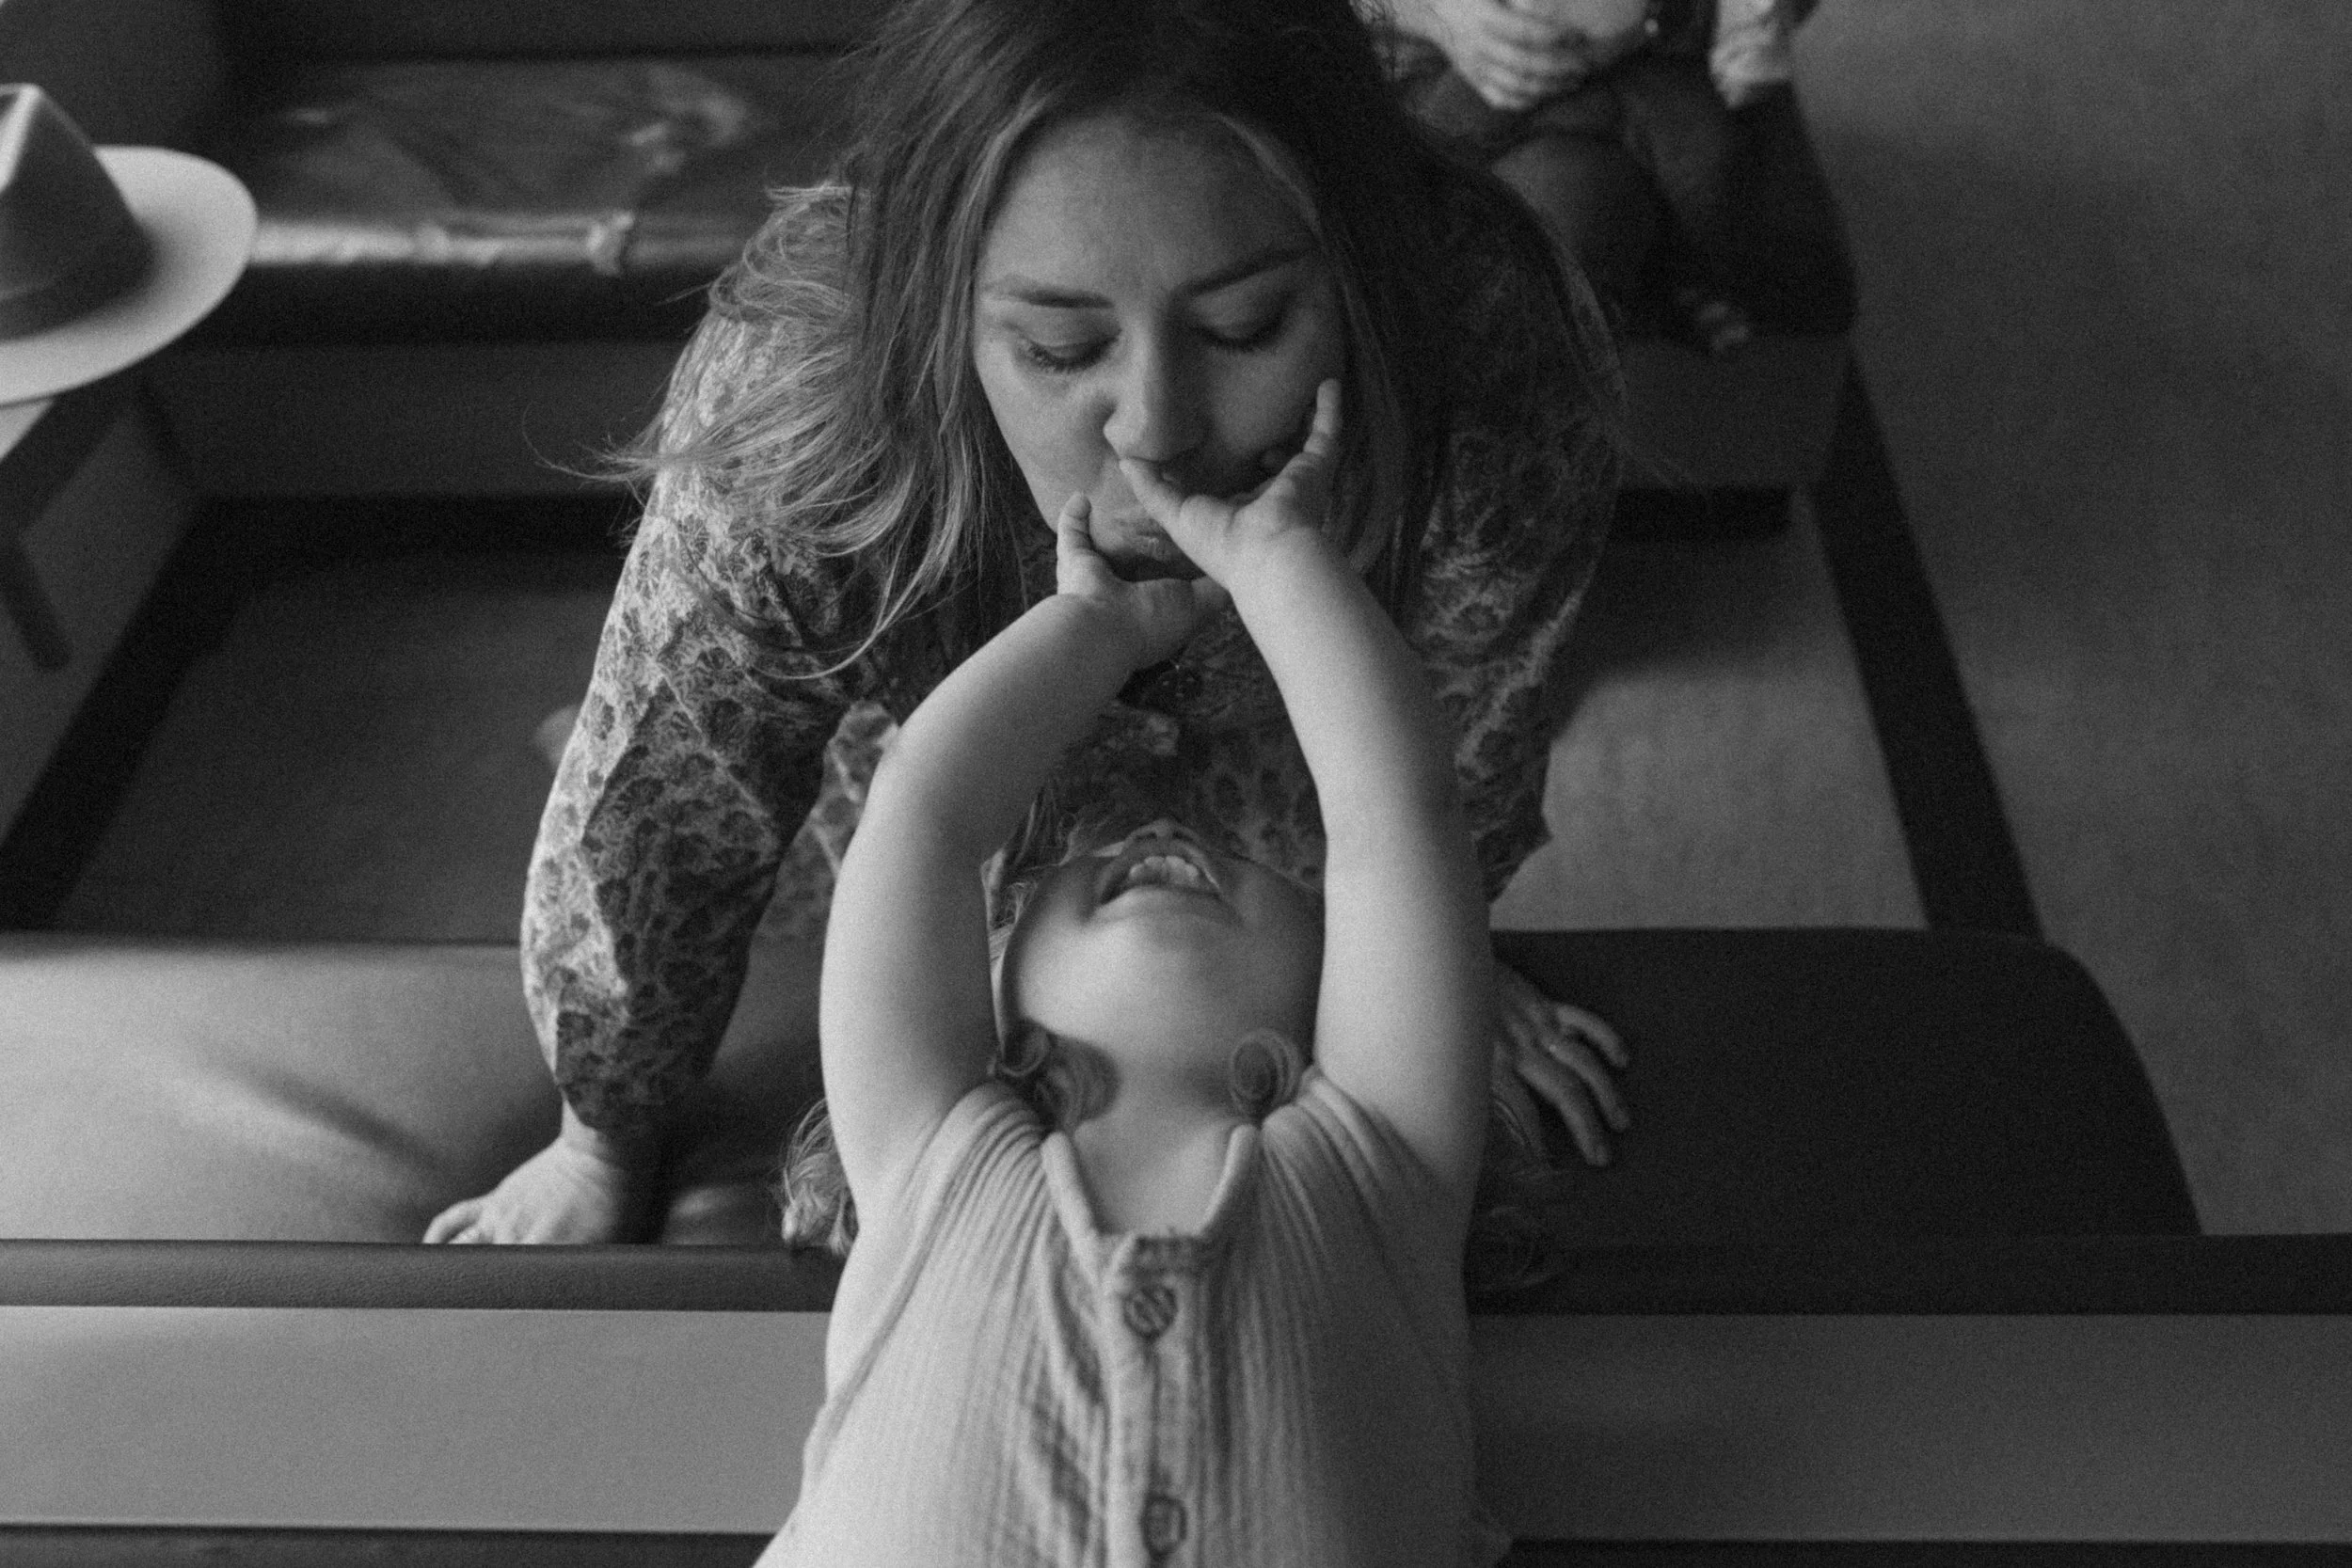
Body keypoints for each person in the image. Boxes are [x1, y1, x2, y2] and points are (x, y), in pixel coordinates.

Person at [426, 0, 1628, 1248]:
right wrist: (604, 1128)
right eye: (1060, 348)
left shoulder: (1485, 333)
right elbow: (664, 810)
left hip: (1297, 747)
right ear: (939, 314)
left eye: (1245, 328)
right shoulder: (793, 414)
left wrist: (1424, 957)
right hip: (945, 707)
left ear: (1363, 272)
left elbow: (1462, 730)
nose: (1155, 428)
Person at [762, 372, 1510, 1564]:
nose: (1157, 833)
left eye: (1246, 862)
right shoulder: (927, 1155)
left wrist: (1277, 560)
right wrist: (1091, 629)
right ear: (994, 1000)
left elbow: (1392, 815)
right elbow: (927, 812)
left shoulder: (1379, 1162)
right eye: (1067, 874)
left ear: (1332, 1003)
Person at [1371, 0, 1855, 352]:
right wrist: (1442, 14)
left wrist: (1654, 17)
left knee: (1705, 173)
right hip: (1414, 69)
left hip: (1653, 55)